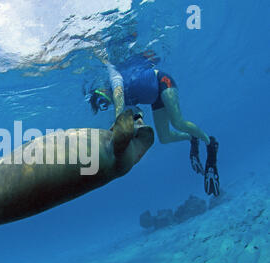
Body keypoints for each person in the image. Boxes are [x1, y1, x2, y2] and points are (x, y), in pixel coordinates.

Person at [88, 58, 220, 196]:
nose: (107, 103)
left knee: (178, 122)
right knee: (165, 137)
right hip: (155, 99)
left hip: (162, 82)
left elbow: (118, 93)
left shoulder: (115, 79)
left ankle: (211, 144)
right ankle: (192, 138)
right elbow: (137, 114)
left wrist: (117, 120)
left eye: (102, 99)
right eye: (103, 106)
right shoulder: (120, 103)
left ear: (102, 89)